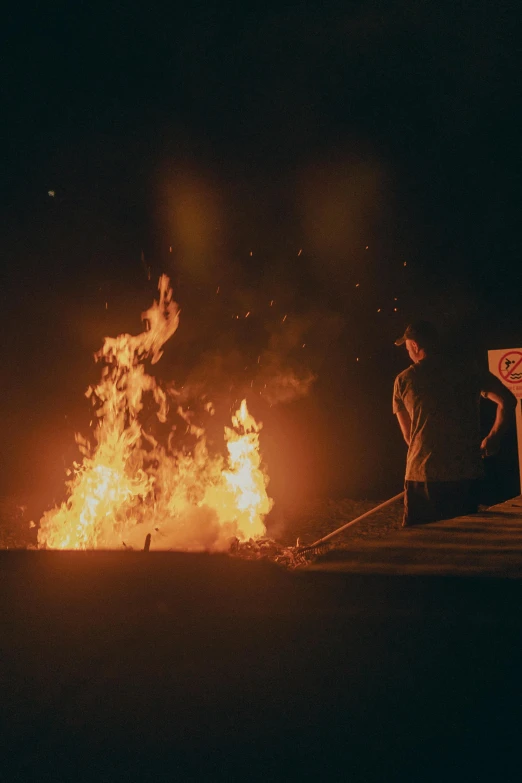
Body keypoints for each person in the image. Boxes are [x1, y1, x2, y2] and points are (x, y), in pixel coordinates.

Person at [393, 320, 517, 526]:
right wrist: (493, 438)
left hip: (423, 476)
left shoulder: (404, 380)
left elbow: (409, 437)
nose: (408, 353)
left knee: (417, 543)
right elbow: (507, 401)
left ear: (415, 345)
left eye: (407, 348)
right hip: (466, 474)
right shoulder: (468, 372)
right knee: (461, 540)